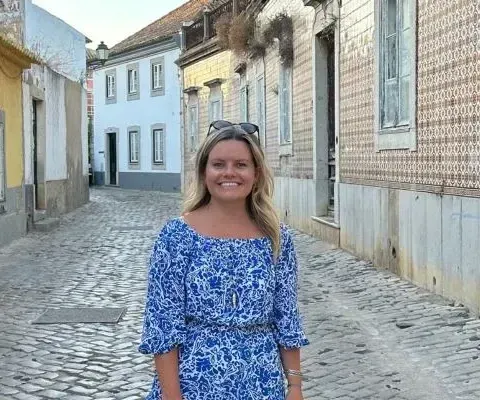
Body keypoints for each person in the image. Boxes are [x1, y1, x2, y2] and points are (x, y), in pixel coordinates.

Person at [139, 120, 309, 400]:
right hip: (193, 387)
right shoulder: (177, 237)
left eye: (241, 165)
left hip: (262, 386)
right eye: (218, 164)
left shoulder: (276, 239)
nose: (229, 172)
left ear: (256, 173)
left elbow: (286, 318)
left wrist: (295, 387)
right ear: (204, 172)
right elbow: (163, 325)